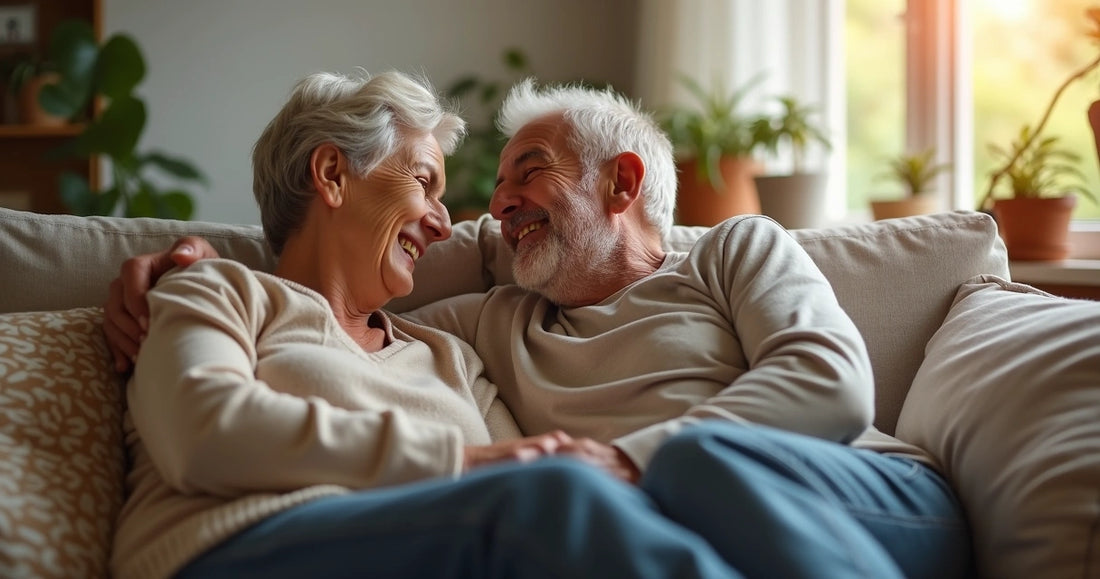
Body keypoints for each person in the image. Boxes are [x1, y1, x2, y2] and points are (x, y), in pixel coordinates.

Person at [105, 78, 973, 579]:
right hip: (239, 545)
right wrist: (186, 261)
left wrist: (618, 459)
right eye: (433, 185)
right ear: (332, 173)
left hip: (860, 489)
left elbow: (828, 380)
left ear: (623, 184)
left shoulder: (724, 255)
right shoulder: (472, 326)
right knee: (575, 493)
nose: (465, 218)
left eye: (528, 173)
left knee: (674, 465)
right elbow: (528, 477)